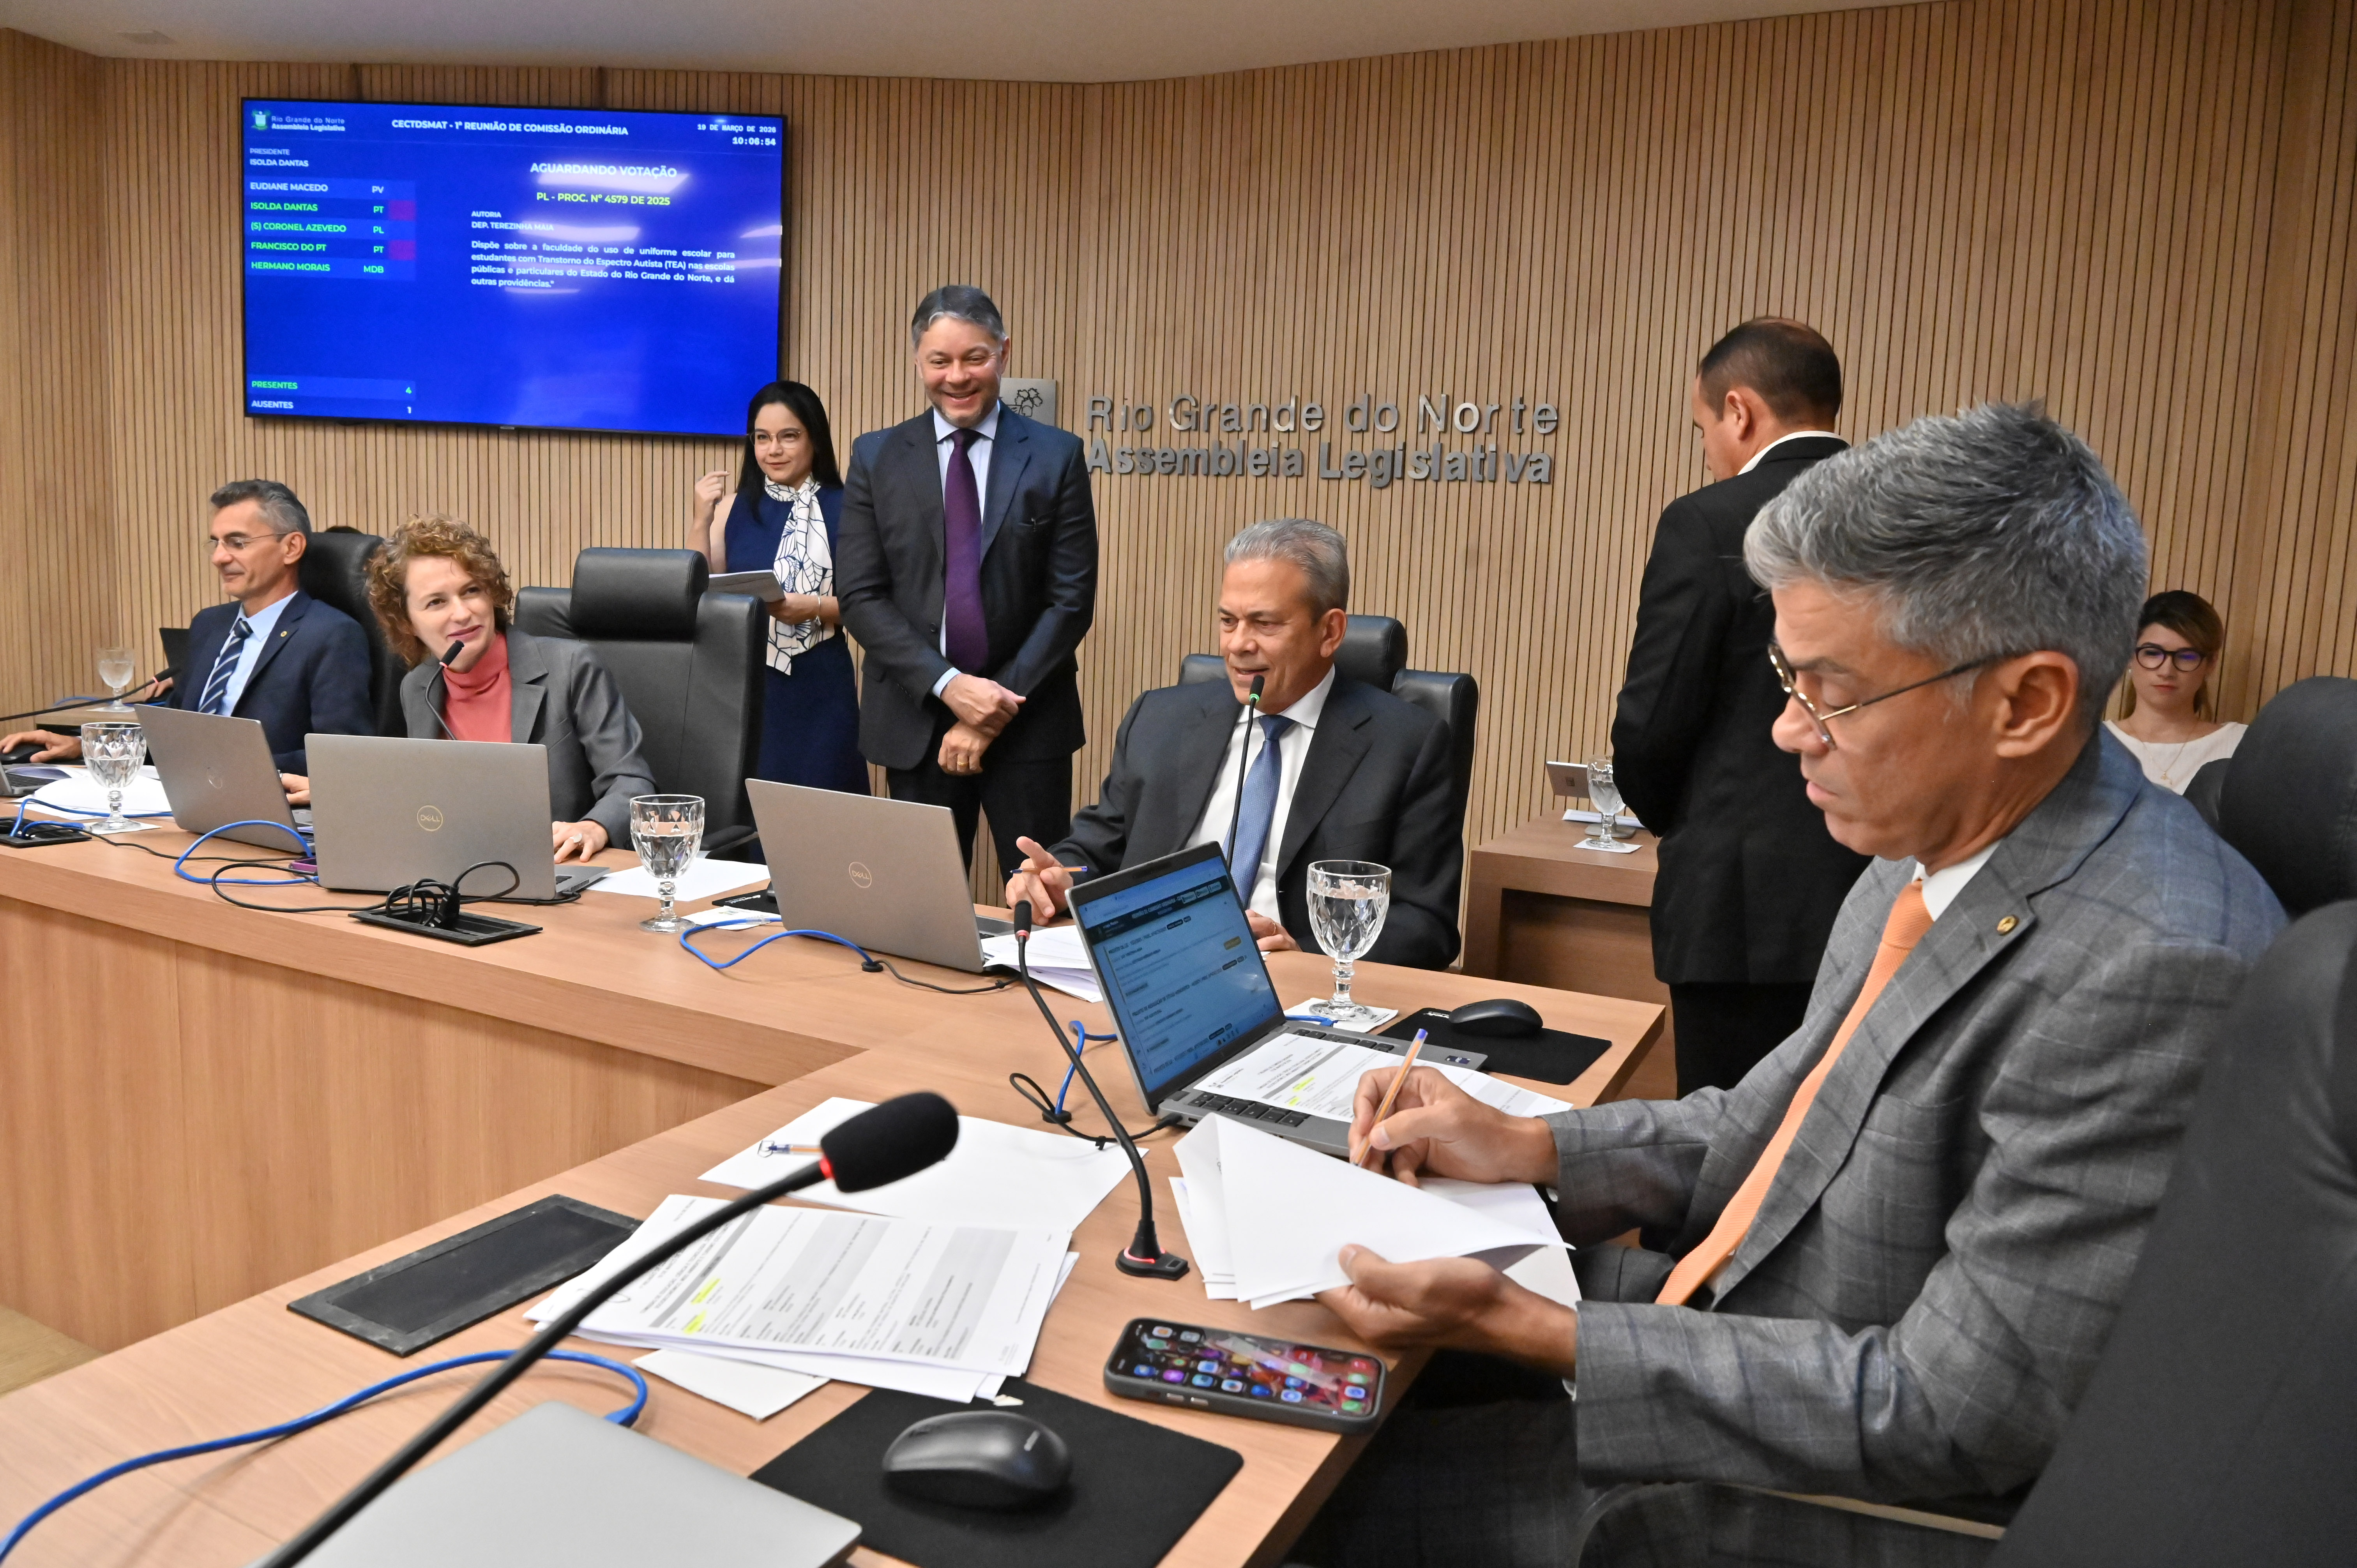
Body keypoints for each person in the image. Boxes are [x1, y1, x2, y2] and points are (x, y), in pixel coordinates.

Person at [1295, 404, 2284, 1567]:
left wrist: (1538, 1330)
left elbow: (1950, 1411)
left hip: (1793, 1498)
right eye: (1787, 676)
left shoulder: (2154, 967)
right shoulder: (1933, 846)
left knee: (1303, 1507)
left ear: (2026, 703)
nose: (1784, 731)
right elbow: (1771, 1126)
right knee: (1279, 1353)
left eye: (1831, 691)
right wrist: (1530, 1146)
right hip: (1733, 1336)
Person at [1005, 519, 1462, 969]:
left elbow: (1427, 925)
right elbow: (1094, 853)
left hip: (1296, 981)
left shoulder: (1406, 745)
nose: (1238, 645)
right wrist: (1058, 878)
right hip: (1152, 971)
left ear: (1330, 633)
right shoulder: (1159, 719)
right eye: (1228, 621)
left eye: (1265, 624)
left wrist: (1306, 953)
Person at [1612, 318, 1872, 1094]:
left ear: (1739, 410)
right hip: (1880, 888)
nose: (1706, 450)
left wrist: (1681, 820)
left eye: (1702, 429)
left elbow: (1653, 723)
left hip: (1739, 909)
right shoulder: (1906, 516)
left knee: (1727, 1137)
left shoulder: (1709, 521)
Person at [834, 284, 1098, 875]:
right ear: (917, 362)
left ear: (1004, 352)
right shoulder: (876, 457)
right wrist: (951, 687)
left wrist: (991, 708)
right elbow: (861, 597)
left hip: (1029, 719)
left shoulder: (1056, 457)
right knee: (920, 901)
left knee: (1041, 897)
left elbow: (1070, 602)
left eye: (975, 358)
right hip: (917, 719)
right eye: (940, 361)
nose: (957, 377)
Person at [283, 516, 653, 865]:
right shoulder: (420, 687)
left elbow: (631, 783)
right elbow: (427, 800)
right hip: (460, 865)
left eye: (471, 591)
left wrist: (594, 827)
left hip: (559, 868)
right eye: (436, 602)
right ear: (406, 621)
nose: (462, 614)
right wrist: (348, 793)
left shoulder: (570, 667)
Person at [4, 480, 372, 772]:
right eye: (216, 543)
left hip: (263, 807)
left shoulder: (331, 634)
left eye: (238, 543)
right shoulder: (211, 625)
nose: (219, 558)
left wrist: (230, 768)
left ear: (291, 548)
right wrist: (86, 747)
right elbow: (176, 737)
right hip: (180, 797)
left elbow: (340, 755)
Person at [688, 380, 868, 795]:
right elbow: (698, 590)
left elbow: (872, 604)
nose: (774, 450)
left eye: (789, 436)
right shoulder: (732, 507)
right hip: (748, 678)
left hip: (822, 679)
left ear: (814, 439)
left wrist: (815, 607)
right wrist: (701, 519)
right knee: (752, 803)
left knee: (826, 804)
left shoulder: (852, 507)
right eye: (762, 438)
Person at [2104, 589, 2245, 792]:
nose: (2167, 671)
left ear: (2211, 663)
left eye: (2187, 656)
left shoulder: (2241, 745)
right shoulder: (2088, 745)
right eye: (2152, 653)